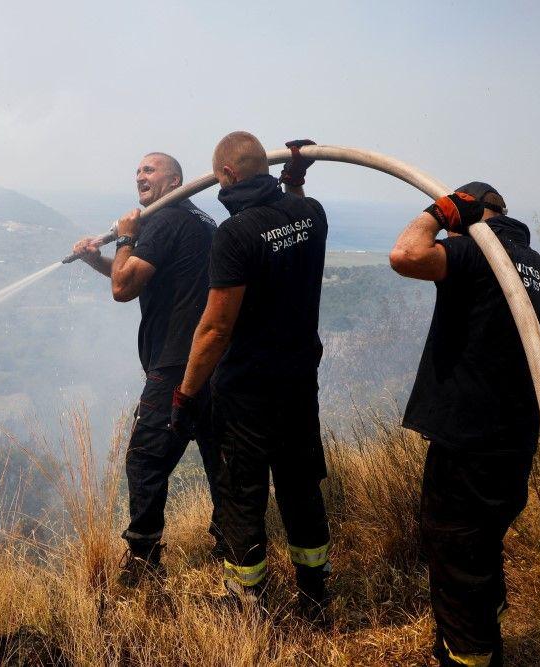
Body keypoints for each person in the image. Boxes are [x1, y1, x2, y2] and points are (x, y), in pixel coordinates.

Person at [388, 183, 540, 666]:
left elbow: (406, 255)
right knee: (483, 540)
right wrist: (523, 370)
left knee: (457, 553)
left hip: (468, 442)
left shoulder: (477, 248)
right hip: (515, 441)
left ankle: (471, 652)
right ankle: (488, 619)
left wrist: (439, 212)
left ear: (471, 212)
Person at [171, 132, 332, 619]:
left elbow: (216, 328)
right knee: (301, 486)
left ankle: (246, 603)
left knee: (243, 493)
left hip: (248, 391)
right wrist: (296, 182)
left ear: (225, 176)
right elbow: (294, 215)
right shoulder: (312, 213)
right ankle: (314, 595)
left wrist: (186, 394)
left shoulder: (234, 234)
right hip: (300, 382)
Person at [70, 152, 220, 586]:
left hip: (174, 365)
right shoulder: (197, 220)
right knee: (219, 459)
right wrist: (94, 259)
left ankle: (143, 563)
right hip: (211, 361)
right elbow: (134, 278)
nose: (139, 175)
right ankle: (233, 549)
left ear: (174, 180)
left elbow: (123, 287)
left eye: (149, 170)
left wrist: (125, 237)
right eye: (137, 170)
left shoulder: (165, 220)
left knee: (145, 460)